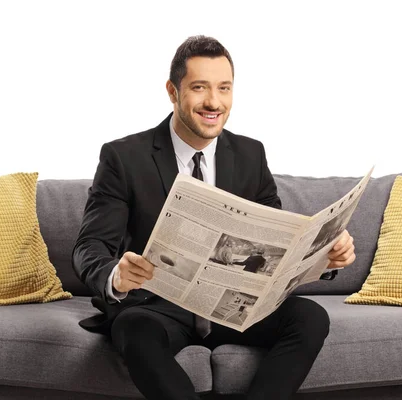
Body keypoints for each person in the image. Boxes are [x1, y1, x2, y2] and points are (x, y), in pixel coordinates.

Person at [72, 35, 356, 400]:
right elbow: (90, 246)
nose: (214, 102)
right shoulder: (123, 158)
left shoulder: (251, 154)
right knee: (132, 329)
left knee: (310, 318)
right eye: (199, 88)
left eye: (224, 88)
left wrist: (324, 256)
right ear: (173, 92)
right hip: (158, 310)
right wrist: (117, 275)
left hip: (232, 310)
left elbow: (280, 245)